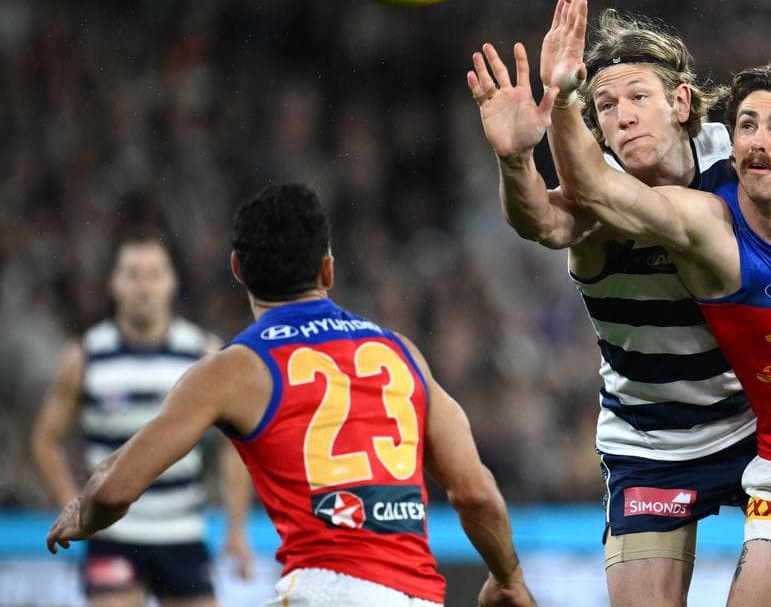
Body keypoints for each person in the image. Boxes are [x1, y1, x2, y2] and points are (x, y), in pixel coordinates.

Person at [468, 4, 771, 606]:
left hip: (762, 423)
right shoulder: (596, 183)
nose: (622, 118)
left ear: (680, 102)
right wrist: (516, 157)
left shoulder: (743, 155)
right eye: (605, 107)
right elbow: (544, 223)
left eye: (637, 98)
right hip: (653, 438)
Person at [46, 184, 537, 607]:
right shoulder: (401, 353)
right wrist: (509, 579)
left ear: (238, 268)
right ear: (327, 270)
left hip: (320, 589)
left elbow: (114, 490)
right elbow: (475, 494)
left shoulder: (234, 369)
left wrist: (83, 513)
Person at [31, 230, 254, 607]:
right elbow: (44, 440)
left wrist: (236, 529)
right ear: (113, 283)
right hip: (112, 533)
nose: (143, 286)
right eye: (132, 274)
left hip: (183, 532)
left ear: (172, 283)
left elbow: (234, 447)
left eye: (154, 274)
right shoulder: (85, 355)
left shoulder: (204, 354)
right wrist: (74, 504)